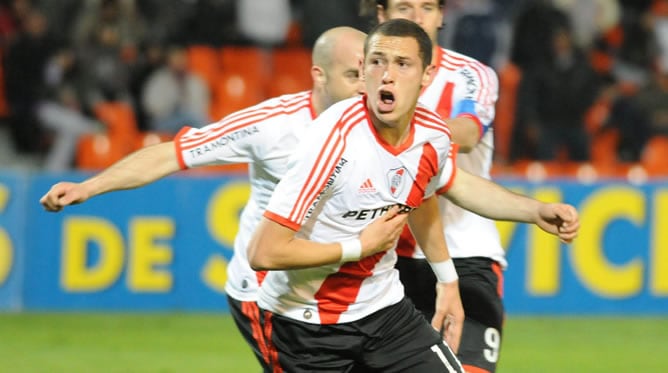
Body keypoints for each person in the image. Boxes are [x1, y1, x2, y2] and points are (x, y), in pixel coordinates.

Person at [246, 19, 579, 372]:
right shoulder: (330, 140)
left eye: (402, 64)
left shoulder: (431, 134)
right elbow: (263, 251)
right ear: (363, 71)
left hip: (384, 312)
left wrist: (450, 279)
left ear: (427, 75)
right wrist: (358, 247)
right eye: (376, 61)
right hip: (304, 324)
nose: (386, 75)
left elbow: (427, 195)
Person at [40, 25, 368, 372]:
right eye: (352, 75)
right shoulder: (272, 126)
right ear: (319, 75)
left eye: (370, 73)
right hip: (270, 294)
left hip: (341, 288)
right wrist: (88, 187)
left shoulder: (378, 121)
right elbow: (170, 155)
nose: (365, 87)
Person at [366, 1, 504, 371]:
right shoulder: (365, 75)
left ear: (443, 16)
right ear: (381, 15)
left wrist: (406, 130)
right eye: (404, 7)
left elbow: (470, 132)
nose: (416, 17)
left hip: (465, 253)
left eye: (427, 7)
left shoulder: (470, 75)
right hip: (383, 262)